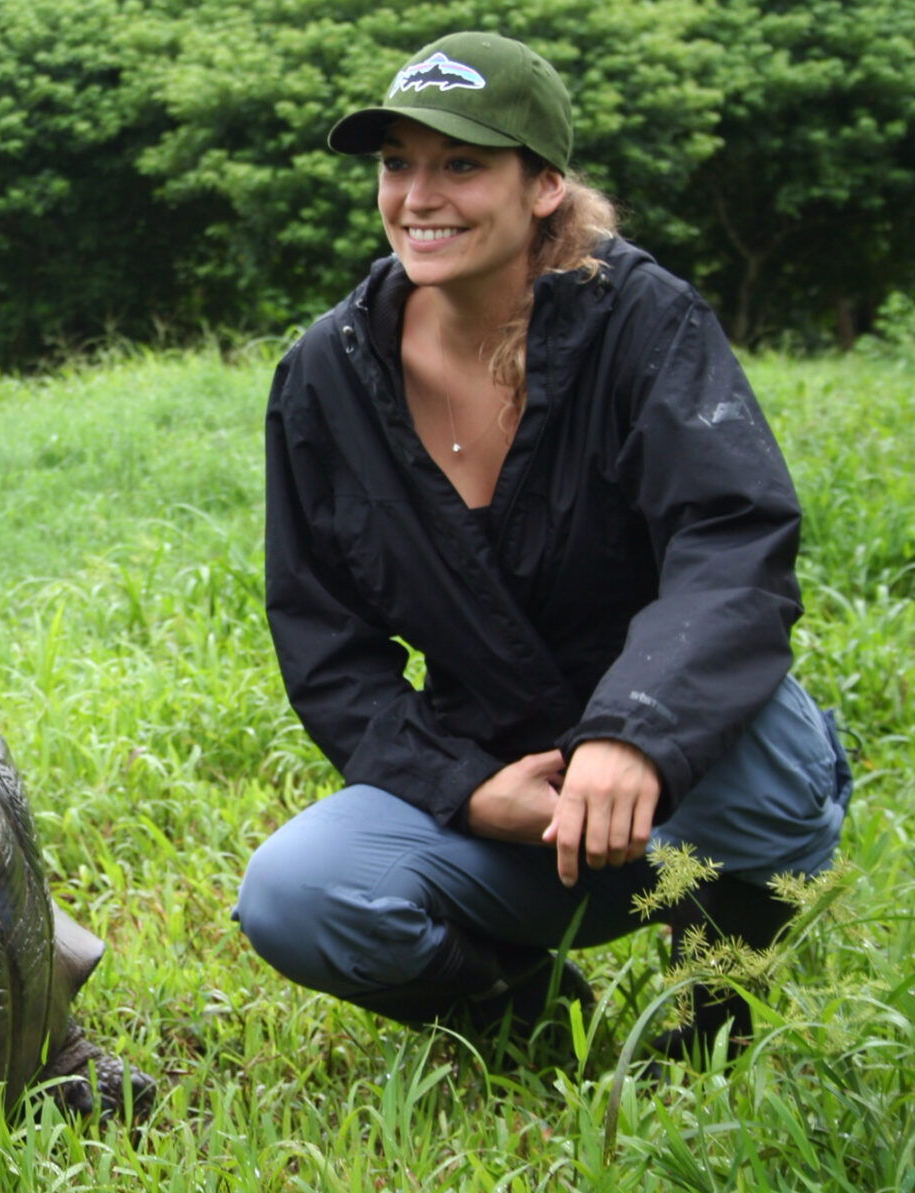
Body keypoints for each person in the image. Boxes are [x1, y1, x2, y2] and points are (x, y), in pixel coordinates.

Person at [232, 31, 852, 1061]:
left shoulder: (638, 321)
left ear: (545, 184)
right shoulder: (324, 376)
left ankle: (714, 999)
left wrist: (630, 732)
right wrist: (468, 790)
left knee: (775, 778)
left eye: (461, 163)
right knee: (297, 893)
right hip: (501, 767)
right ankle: (532, 1019)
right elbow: (323, 641)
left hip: (686, 759)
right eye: (397, 164)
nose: (417, 196)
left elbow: (730, 542)